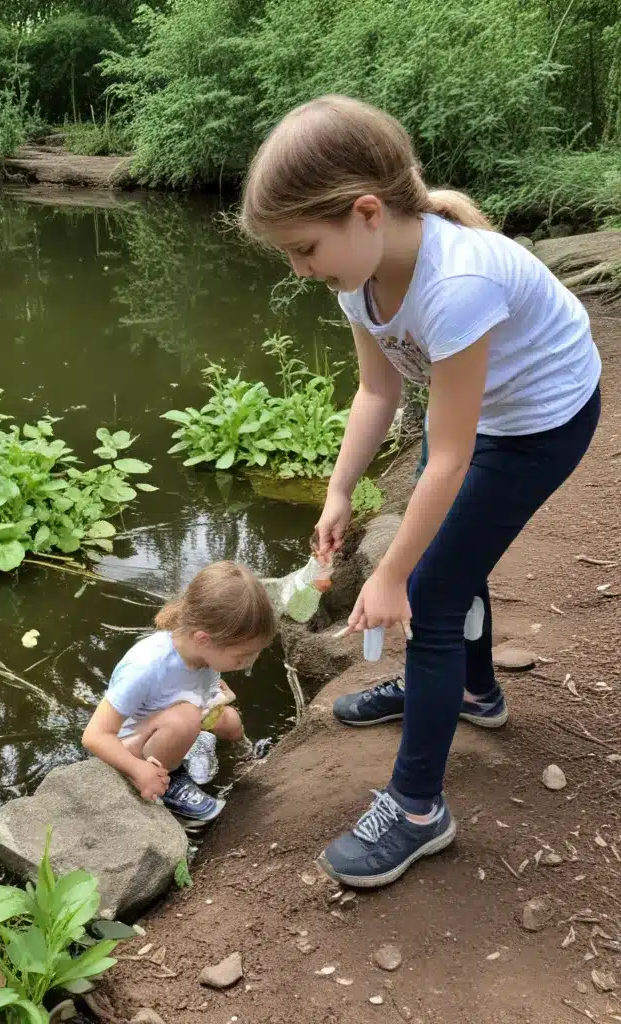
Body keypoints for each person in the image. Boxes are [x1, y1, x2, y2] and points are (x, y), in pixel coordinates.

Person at [240, 95, 601, 888]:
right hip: (481, 414)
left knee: (432, 593)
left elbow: (451, 457)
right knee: (444, 565)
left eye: (305, 248)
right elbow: (378, 393)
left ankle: (416, 811)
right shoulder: (359, 279)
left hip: (542, 419)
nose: (301, 271)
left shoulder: (455, 285)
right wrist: (339, 493)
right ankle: (472, 691)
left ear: (367, 212)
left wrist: (393, 574)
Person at [82, 561, 275, 824]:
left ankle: (245, 757)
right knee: (184, 718)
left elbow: (199, 690)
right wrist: (138, 769)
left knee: (230, 721)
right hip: (129, 747)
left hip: (171, 721)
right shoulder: (146, 666)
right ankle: (170, 782)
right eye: (242, 657)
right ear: (204, 639)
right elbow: (94, 736)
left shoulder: (202, 655)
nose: (249, 664)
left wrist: (216, 698)